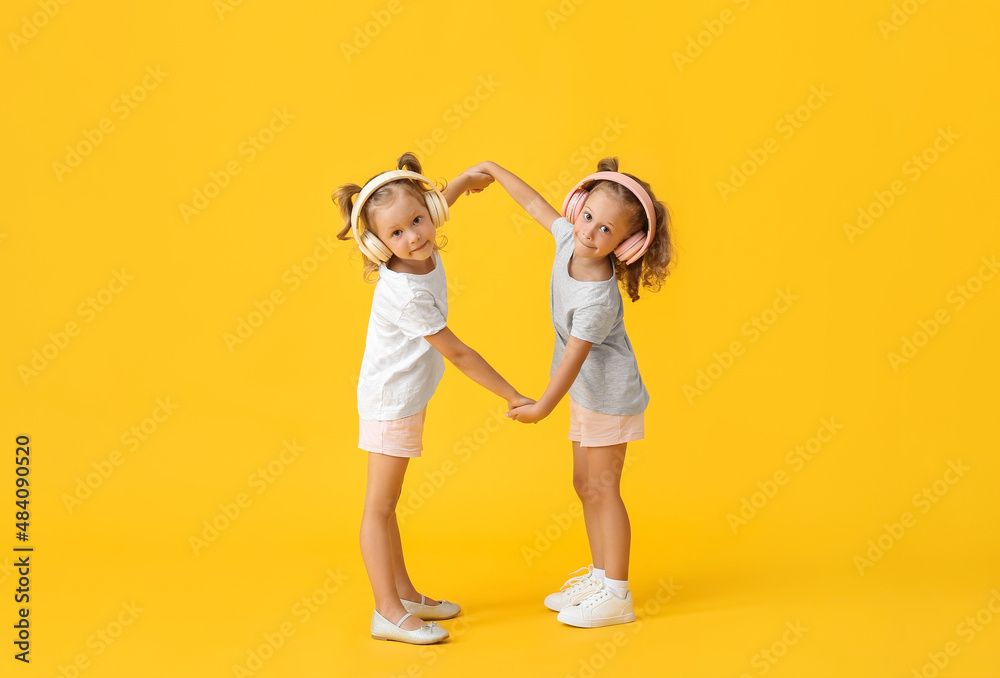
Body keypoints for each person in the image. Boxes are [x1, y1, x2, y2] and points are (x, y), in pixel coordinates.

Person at [333, 153, 532, 644]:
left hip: (407, 396)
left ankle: (404, 594)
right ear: (379, 244)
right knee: (379, 506)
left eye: (418, 221)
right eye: (396, 234)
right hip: (390, 402)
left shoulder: (421, 243)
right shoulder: (406, 291)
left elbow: (435, 203)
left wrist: (464, 180)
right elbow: (460, 354)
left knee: (390, 502)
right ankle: (386, 611)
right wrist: (512, 394)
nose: (414, 237)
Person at [465, 158, 673, 628]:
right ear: (577, 208)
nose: (590, 232)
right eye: (588, 218)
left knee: (603, 489)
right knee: (584, 486)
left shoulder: (598, 297)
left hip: (609, 396)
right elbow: (535, 203)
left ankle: (617, 595)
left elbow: (573, 359)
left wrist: (540, 408)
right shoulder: (567, 240)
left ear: (626, 245)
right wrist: (496, 172)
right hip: (586, 393)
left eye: (607, 230)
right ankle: (601, 579)